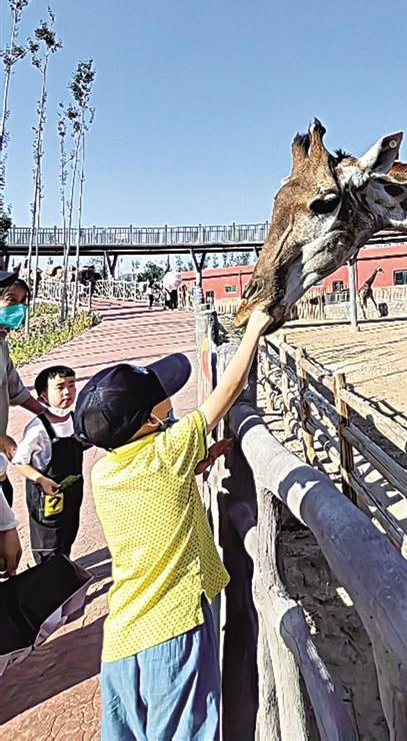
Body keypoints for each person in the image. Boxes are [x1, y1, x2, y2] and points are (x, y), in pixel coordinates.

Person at [74, 307, 269, 741]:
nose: (169, 396)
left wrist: (199, 460)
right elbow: (230, 388)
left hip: (123, 636)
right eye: (161, 396)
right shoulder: (169, 452)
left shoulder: (104, 473)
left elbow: (153, 488)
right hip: (173, 628)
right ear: (148, 421)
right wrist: (256, 326)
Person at [13, 365, 83, 563]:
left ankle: (64, 564)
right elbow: (19, 461)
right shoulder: (38, 428)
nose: (67, 392)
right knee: (48, 538)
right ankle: (48, 576)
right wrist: (40, 479)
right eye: (59, 387)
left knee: (68, 530)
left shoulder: (76, 419)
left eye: (71, 385)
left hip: (72, 489)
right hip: (46, 494)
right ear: (42, 397)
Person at [0, 272, 41, 577]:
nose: (18, 309)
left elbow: (15, 389)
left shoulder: (1, 344)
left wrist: (49, 413)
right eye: (10, 300)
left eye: (22, 302)